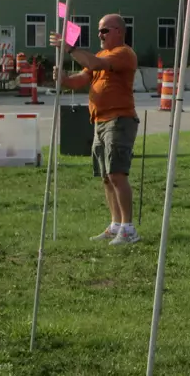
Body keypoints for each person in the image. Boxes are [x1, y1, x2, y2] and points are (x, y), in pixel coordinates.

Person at [51, 14, 141, 245]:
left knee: (117, 174)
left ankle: (129, 229)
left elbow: (94, 65)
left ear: (119, 32)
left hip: (119, 120)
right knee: (106, 177)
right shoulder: (100, 55)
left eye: (104, 31)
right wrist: (63, 78)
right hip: (100, 121)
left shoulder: (124, 54)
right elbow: (80, 79)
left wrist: (70, 49)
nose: (99, 35)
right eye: (99, 31)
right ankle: (115, 225)